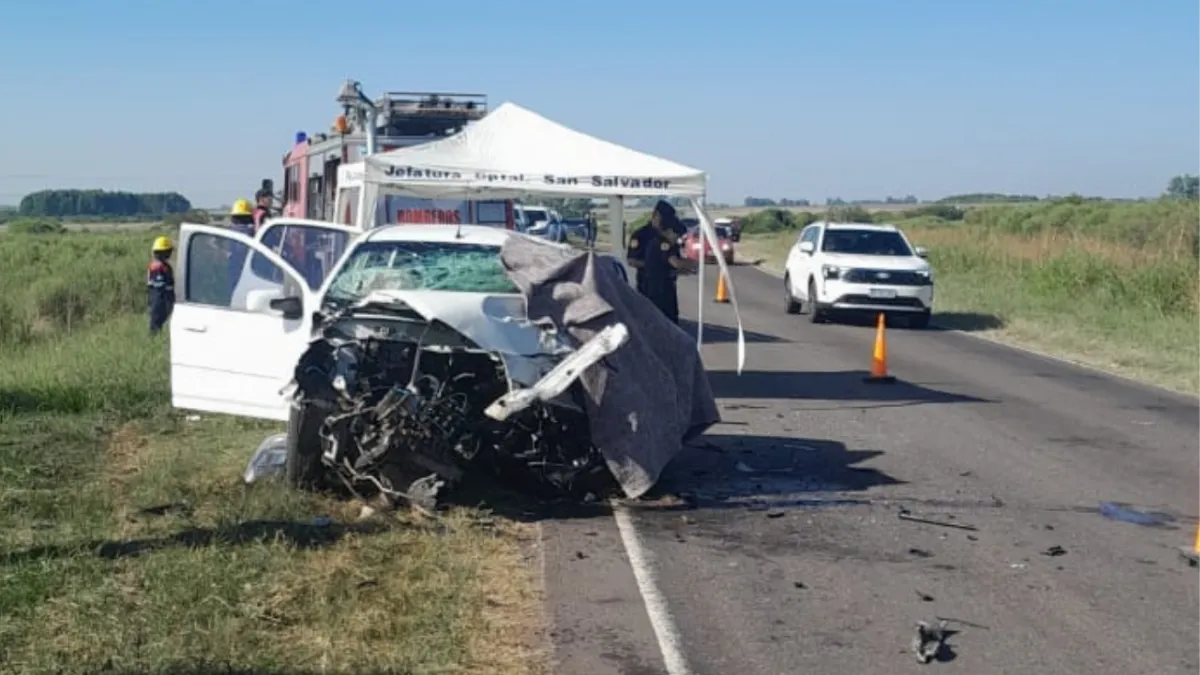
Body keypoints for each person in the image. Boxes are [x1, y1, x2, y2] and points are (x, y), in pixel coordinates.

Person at [146, 236, 176, 336]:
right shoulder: (159, 267)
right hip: (159, 299)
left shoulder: (161, 265)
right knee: (155, 326)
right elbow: (160, 287)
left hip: (160, 299)